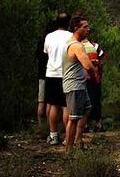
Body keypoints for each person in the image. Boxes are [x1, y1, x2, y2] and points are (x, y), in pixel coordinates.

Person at [62, 16, 95, 153]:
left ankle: (78, 140)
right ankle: (69, 150)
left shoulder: (71, 43)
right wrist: (94, 73)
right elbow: (87, 66)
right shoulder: (76, 45)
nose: (88, 29)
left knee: (87, 109)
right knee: (74, 118)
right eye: (85, 27)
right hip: (75, 86)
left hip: (78, 85)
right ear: (76, 28)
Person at [44, 13, 72, 145]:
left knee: (54, 105)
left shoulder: (49, 36)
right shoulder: (71, 37)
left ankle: (53, 135)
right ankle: (67, 137)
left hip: (51, 73)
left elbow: (46, 52)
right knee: (66, 106)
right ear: (68, 23)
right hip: (66, 74)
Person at [82, 37, 106, 132]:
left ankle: (92, 124)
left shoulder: (95, 46)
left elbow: (102, 59)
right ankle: (93, 124)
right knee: (94, 100)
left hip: (90, 78)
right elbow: (102, 60)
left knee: (92, 100)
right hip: (90, 78)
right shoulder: (94, 46)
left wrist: (98, 64)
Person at [36, 20, 55, 126]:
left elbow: (38, 57)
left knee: (41, 100)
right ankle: (49, 123)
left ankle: (40, 123)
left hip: (41, 74)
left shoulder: (40, 42)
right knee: (51, 102)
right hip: (51, 74)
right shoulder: (52, 42)